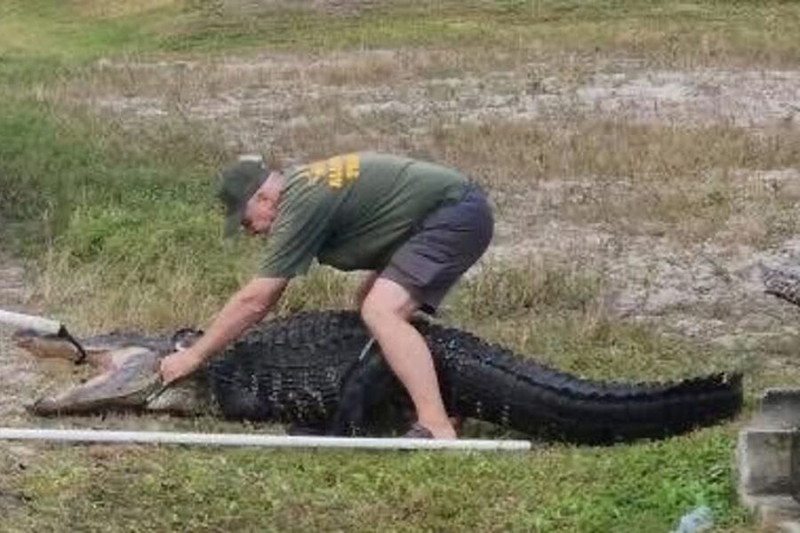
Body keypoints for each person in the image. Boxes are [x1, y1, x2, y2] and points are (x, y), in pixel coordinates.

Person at [159, 152, 494, 439]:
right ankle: (431, 404)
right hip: (442, 212)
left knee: (381, 311)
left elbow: (257, 299)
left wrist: (194, 356)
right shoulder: (302, 186)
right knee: (370, 305)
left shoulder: (299, 202)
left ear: (262, 198)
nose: (253, 232)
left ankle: (435, 425)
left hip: (452, 213)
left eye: (247, 222)